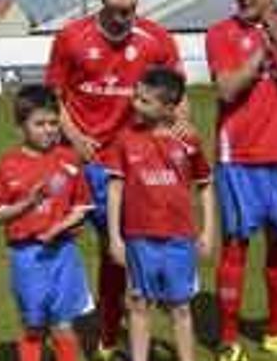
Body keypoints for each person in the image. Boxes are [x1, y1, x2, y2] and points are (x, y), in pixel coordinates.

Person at [45, 0, 186, 359]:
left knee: (117, 253)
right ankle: (49, 335)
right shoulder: (71, 37)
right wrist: (74, 135)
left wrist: (178, 135)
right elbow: (54, 97)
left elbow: (176, 100)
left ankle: (107, 336)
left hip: (125, 168)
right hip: (73, 163)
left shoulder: (156, 40)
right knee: (52, 248)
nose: (125, 3)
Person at [206, 0, 277, 361]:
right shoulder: (220, 33)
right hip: (238, 158)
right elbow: (227, 90)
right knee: (235, 247)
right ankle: (229, 339)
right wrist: (260, 53)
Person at [105, 67, 215, 361]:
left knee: (180, 306)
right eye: (136, 97)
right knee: (139, 303)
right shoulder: (124, 139)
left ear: (168, 107)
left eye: (144, 101)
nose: (135, 104)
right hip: (139, 238)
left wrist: (207, 231)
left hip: (180, 239)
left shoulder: (188, 140)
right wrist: (116, 238)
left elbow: (205, 185)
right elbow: (114, 190)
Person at [0, 85, 93, 361]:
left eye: (53, 123)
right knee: (33, 326)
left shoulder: (69, 160)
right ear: (21, 125)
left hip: (63, 254)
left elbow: (82, 206)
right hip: (27, 256)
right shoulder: (8, 164)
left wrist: (62, 227)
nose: (48, 130)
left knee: (63, 325)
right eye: (39, 123)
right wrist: (27, 204)